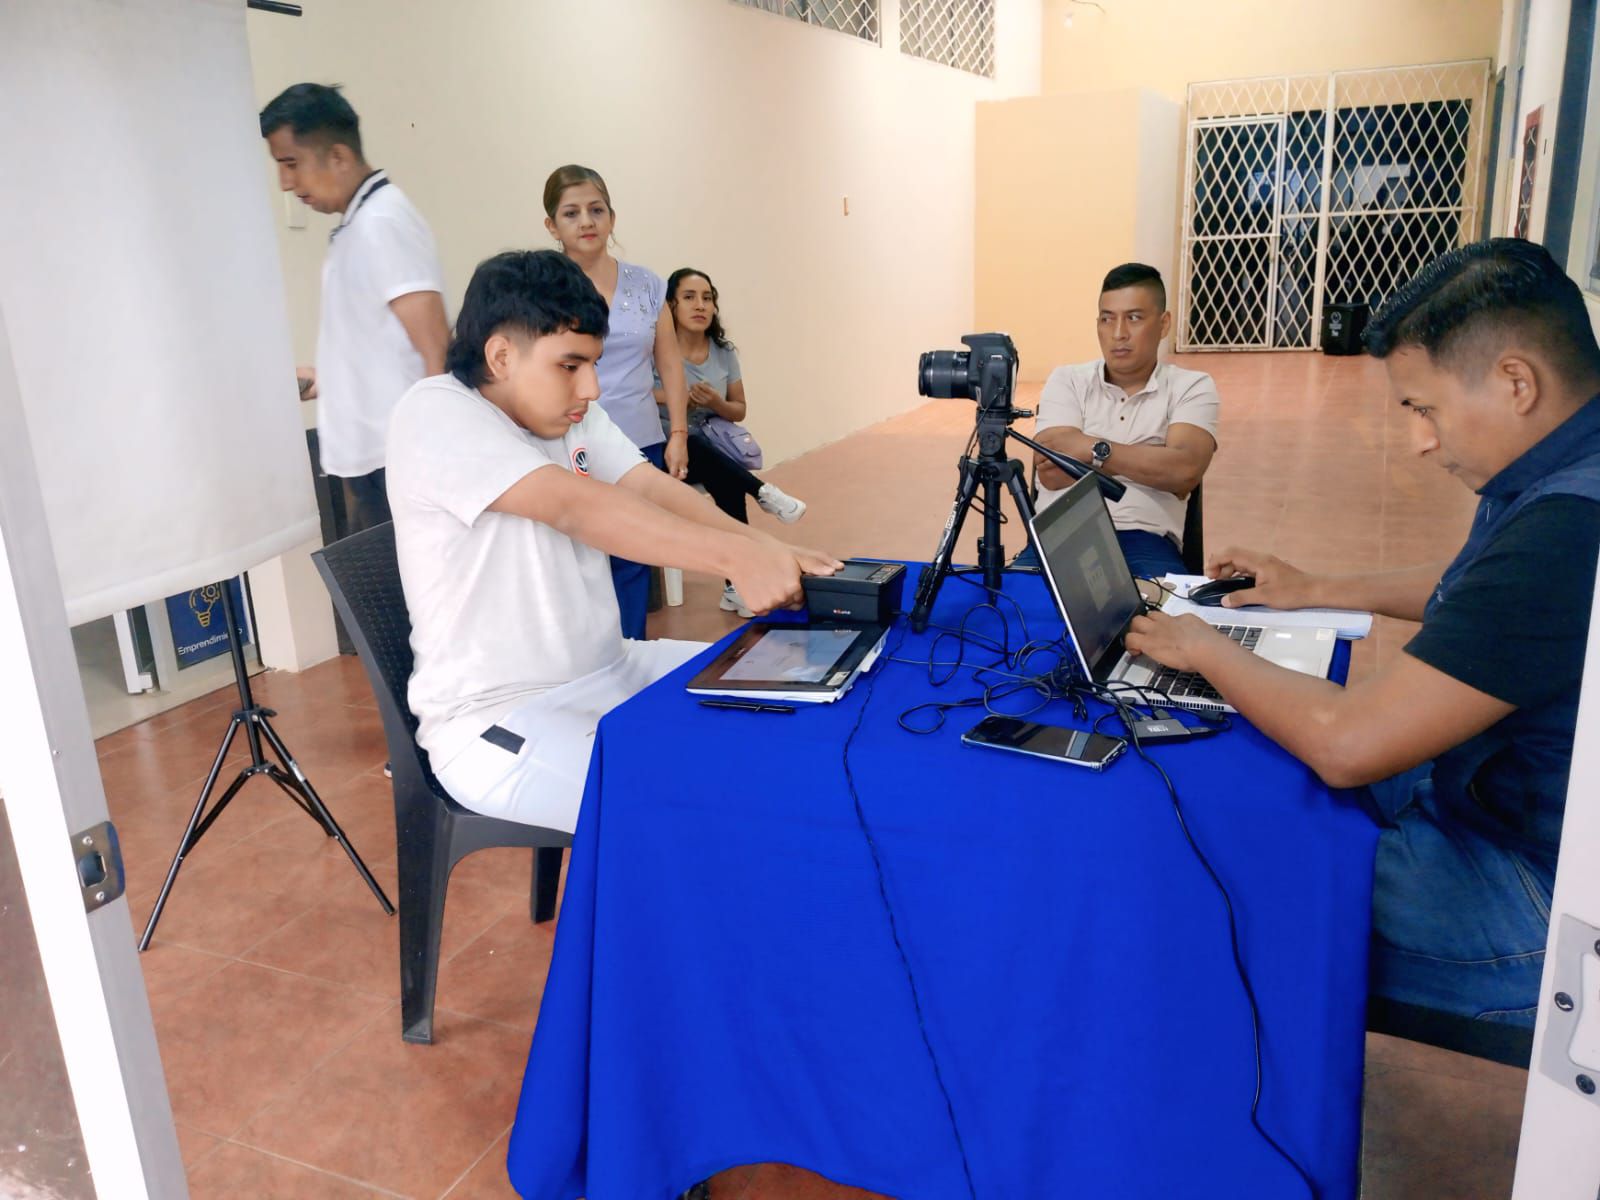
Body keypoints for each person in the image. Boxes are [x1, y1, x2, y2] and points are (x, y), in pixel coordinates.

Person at [1124, 238, 1600, 1026]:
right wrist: (1315, 588)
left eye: (1424, 409)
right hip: (1499, 791)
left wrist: (1203, 645)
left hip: (1540, 891)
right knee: (1261, 773)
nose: (1420, 440)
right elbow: (1482, 590)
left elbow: (1349, 743)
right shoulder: (1560, 462)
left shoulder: (1566, 530)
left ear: (1517, 382)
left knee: (1214, 881)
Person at [386, 250, 840, 832]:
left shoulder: (569, 412)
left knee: (798, 688)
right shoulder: (435, 413)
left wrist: (765, 548)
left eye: (594, 364)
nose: (592, 387)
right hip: (499, 718)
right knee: (706, 812)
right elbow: (573, 507)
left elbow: (648, 487)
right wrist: (736, 557)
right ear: (500, 356)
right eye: (570, 365)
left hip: (615, 667)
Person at [260, 83, 448, 535]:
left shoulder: (382, 221)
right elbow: (383, 346)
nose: (285, 182)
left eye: (291, 164)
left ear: (339, 157)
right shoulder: (359, 225)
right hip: (368, 462)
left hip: (395, 463)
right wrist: (323, 376)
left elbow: (435, 348)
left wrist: (433, 455)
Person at [542, 164, 689, 639]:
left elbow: (670, 365)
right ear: (552, 226)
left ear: (611, 217)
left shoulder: (648, 286)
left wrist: (678, 433)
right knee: (576, 561)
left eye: (596, 210)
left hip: (639, 441)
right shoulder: (542, 288)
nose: (586, 221)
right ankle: (586, 661)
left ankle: (631, 653)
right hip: (569, 443)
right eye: (571, 213)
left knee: (633, 556)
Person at [1026, 263, 1220, 580]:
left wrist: (1089, 447)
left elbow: (1183, 472)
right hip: (1060, 535)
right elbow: (1051, 473)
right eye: (1107, 319)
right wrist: (1148, 459)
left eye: (1134, 318)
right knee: (1008, 607)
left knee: (1156, 611)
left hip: (1144, 539)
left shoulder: (1191, 386)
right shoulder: (1067, 380)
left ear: (1164, 323)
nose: (1118, 334)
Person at [657, 266, 808, 618]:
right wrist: (677, 398)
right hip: (667, 448)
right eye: (689, 297)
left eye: (707, 298)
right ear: (671, 305)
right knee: (697, 447)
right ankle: (763, 492)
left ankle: (734, 587)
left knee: (724, 479)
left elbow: (738, 409)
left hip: (710, 450)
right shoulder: (656, 349)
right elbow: (636, 394)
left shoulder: (723, 352)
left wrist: (714, 402)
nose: (700, 305)